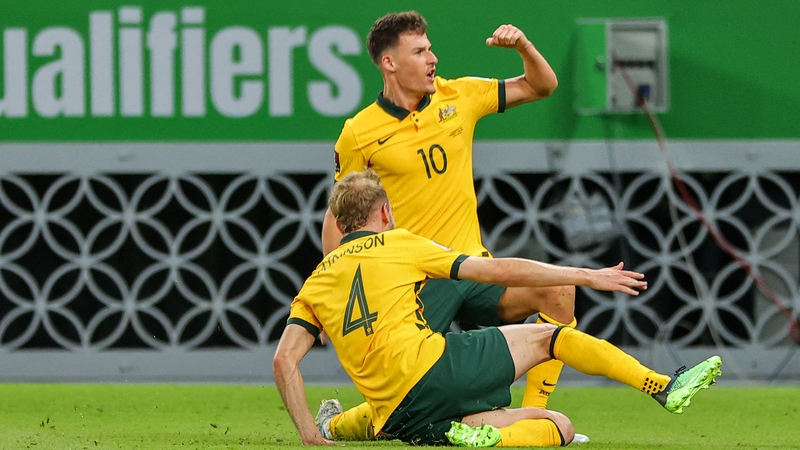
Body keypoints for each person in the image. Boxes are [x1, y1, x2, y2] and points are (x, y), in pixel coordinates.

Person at [274, 169, 722, 447]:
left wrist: (308, 436)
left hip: (401, 416)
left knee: (559, 427)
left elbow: (284, 360)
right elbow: (499, 271)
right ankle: (660, 385)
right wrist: (584, 275)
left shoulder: (314, 282)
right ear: (386, 213)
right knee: (550, 338)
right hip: (437, 370)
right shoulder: (397, 243)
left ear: (338, 223)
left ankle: (464, 434)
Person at [319, 11, 574, 440]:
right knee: (410, 393)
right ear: (390, 63)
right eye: (419, 51)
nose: (432, 57)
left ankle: (536, 414)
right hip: (414, 280)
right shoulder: (359, 133)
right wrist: (338, 287)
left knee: (558, 290)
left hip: (472, 268)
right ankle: (337, 425)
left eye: (430, 47)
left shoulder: (462, 95)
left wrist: (524, 47)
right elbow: (339, 215)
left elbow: (542, 85)